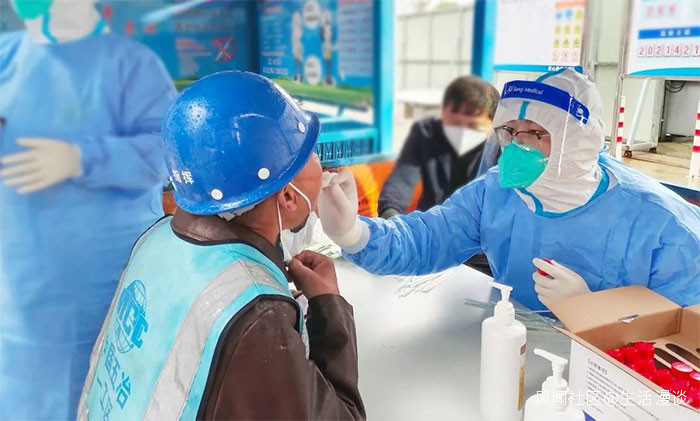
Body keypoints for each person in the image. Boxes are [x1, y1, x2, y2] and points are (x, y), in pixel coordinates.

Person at [78, 71, 365, 420]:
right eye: (309, 153)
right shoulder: (260, 318)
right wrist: (327, 306)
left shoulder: (159, 239)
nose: (323, 165)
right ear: (288, 197)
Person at [318, 69, 700, 311]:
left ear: (578, 141)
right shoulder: (496, 192)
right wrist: (354, 233)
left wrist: (596, 312)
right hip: (514, 344)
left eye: (535, 133)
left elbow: (684, 338)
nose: (518, 146)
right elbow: (429, 237)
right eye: (512, 132)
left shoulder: (663, 226)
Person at [0, 0, 176, 419]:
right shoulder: (8, 57)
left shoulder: (131, 66)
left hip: (99, 298)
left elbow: (167, 152)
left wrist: (81, 159)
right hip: (19, 302)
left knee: (100, 397)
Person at [378, 75, 499, 274]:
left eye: (472, 126)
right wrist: (391, 216)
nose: (461, 132)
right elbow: (402, 180)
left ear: (494, 124)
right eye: (454, 123)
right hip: (431, 240)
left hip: (481, 254)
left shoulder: (504, 150)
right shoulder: (426, 134)